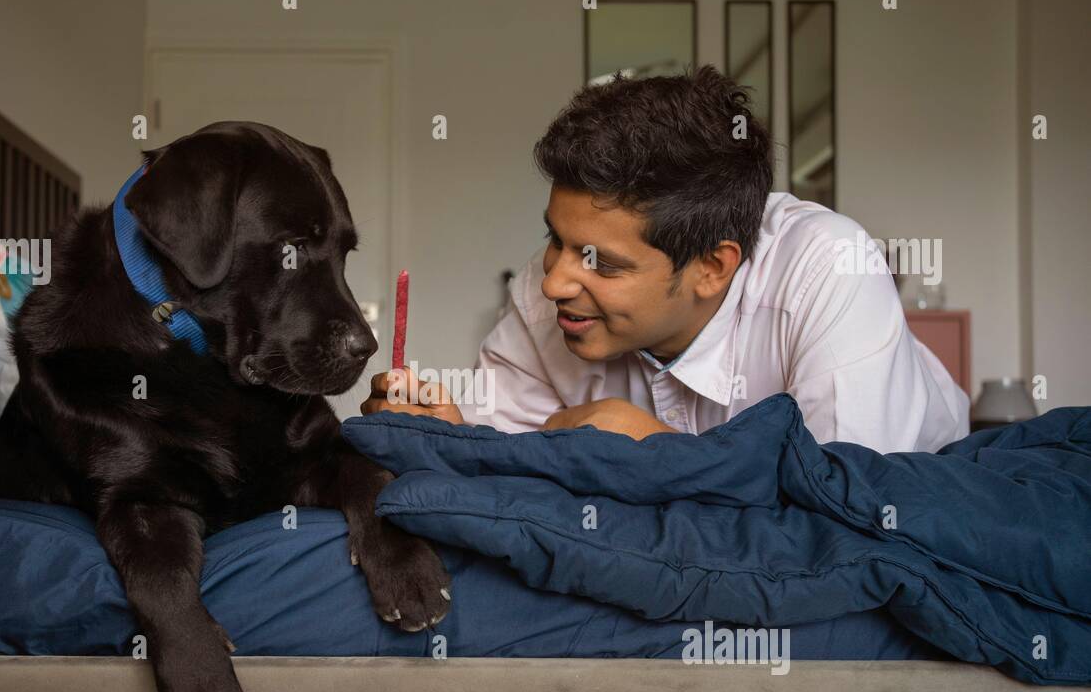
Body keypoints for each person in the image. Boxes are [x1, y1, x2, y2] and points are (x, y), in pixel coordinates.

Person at [361, 67, 969, 453]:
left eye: (602, 263)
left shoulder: (830, 270)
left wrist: (654, 447)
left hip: (924, 477)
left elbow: (848, 507)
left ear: (713, 267)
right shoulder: (549, 289)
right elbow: (497, 451)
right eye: (556, 239)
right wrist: (450, 434)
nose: (554, 282)